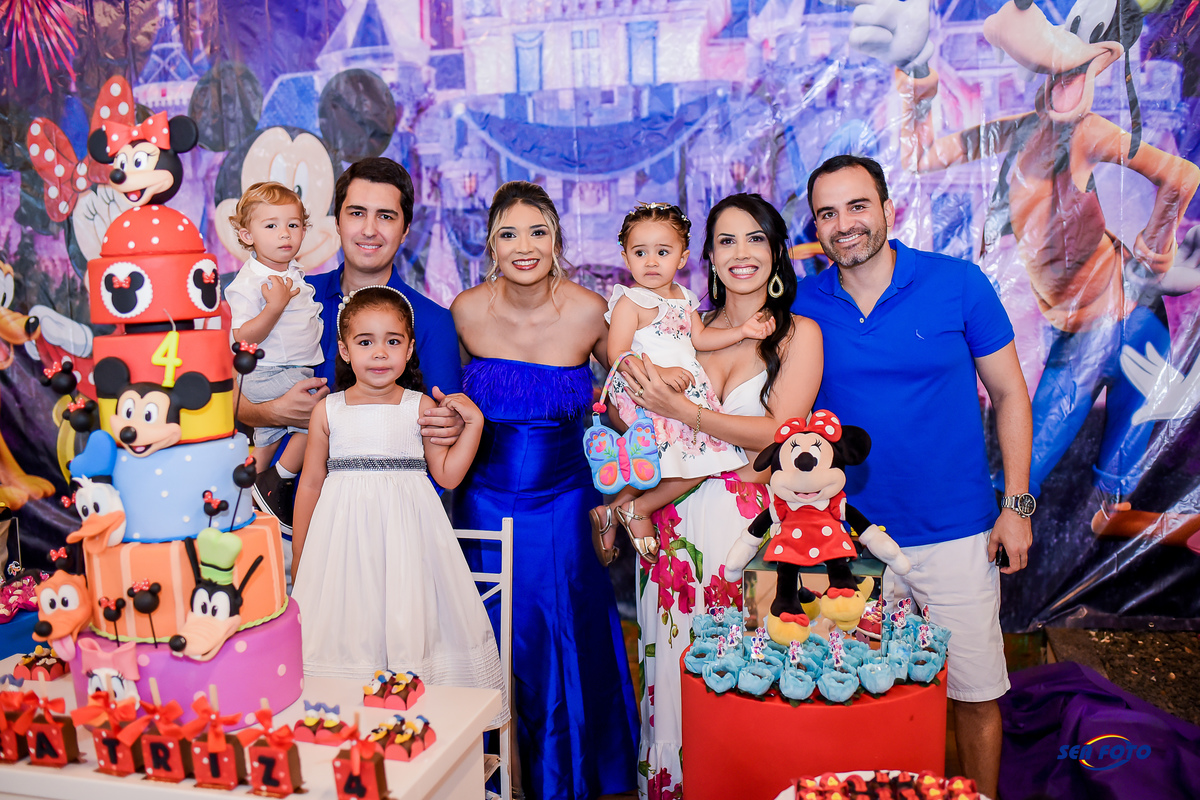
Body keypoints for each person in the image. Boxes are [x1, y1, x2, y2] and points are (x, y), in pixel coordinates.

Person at [791, 154, 1033, 800]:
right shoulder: (804, 304)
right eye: (827, 213)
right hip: (847, 543)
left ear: (888, 210)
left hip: (957, 535)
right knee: (855, 696)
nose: (844, 223)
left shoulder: (958, 283)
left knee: (975, 696)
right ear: (816, 227)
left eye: (857, 206)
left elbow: (1011, 394)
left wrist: (1017, 506)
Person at [615, 193, 823, 798]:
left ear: (777, 250)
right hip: (673, 530)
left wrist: (687, 412)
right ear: (706, 255)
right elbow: (637, 413)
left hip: (752, 532)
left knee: (750, 672)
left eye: (755, 238)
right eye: (726, 240)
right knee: (673, 669)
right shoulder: (680, 326)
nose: (741, 253)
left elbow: (782, 434)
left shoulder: (798, 335)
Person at [450, 181, 638, 800]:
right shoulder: (465, 311)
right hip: (481, 505)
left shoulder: (590, 311)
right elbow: (445, 408)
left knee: (566, 641)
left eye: (538, 232)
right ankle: (487, 781)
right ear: (491, 245)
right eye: (508, 234)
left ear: (557, 239)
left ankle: (570, 780)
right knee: (491, 640)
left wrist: (631, 489)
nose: (524, 246)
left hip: (565, 507)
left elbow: (628, 405)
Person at [289, 286, 506, 716]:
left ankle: (416, 725)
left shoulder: (419, 406)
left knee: (409, 625)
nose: (379, 352)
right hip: (343, 553)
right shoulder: (328, 411)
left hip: (408, 550)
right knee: (350, 629)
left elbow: (447, 474)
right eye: (365, 341)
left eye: (392, 341)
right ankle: (348, 729)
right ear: (344, 350)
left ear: (409, 349)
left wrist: (475, 425)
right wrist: (301, 555)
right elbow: (311, 484)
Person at [236, 158, 465, 562]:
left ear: (405, 229)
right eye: (357, 213)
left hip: (385, 531)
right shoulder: (289, 297)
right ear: (337, 222)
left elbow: (441, 439)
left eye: (386, 216)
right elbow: (227, 397)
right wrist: (271, 412)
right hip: (273, 523)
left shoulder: (432, 321)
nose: (369, 229)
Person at [590, 202, 771, 565]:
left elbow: (700, 339)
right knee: (693, 460)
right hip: (647, 390)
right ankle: (637, 510)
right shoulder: (630, 301)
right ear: (626, 258)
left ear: (683, 257)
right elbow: (618, 353)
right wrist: (659, 371)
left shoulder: (685, 298)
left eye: (662, 252)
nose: (651, 262)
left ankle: (613, 511)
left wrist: (743, 331)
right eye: (640, 253)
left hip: (684, 394)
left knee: (694, 461)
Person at [223, 182, 324, 532]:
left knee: (267, 437)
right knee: (319, 417)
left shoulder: (289, 270)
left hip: (288, 367)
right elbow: (241, 338)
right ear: (247, 235)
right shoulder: (249, 282)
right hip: (269, 371)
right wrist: (274, 308)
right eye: (271, 225)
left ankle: (243, 491)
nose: (285, 233)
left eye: (293, 224)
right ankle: (276, 480)